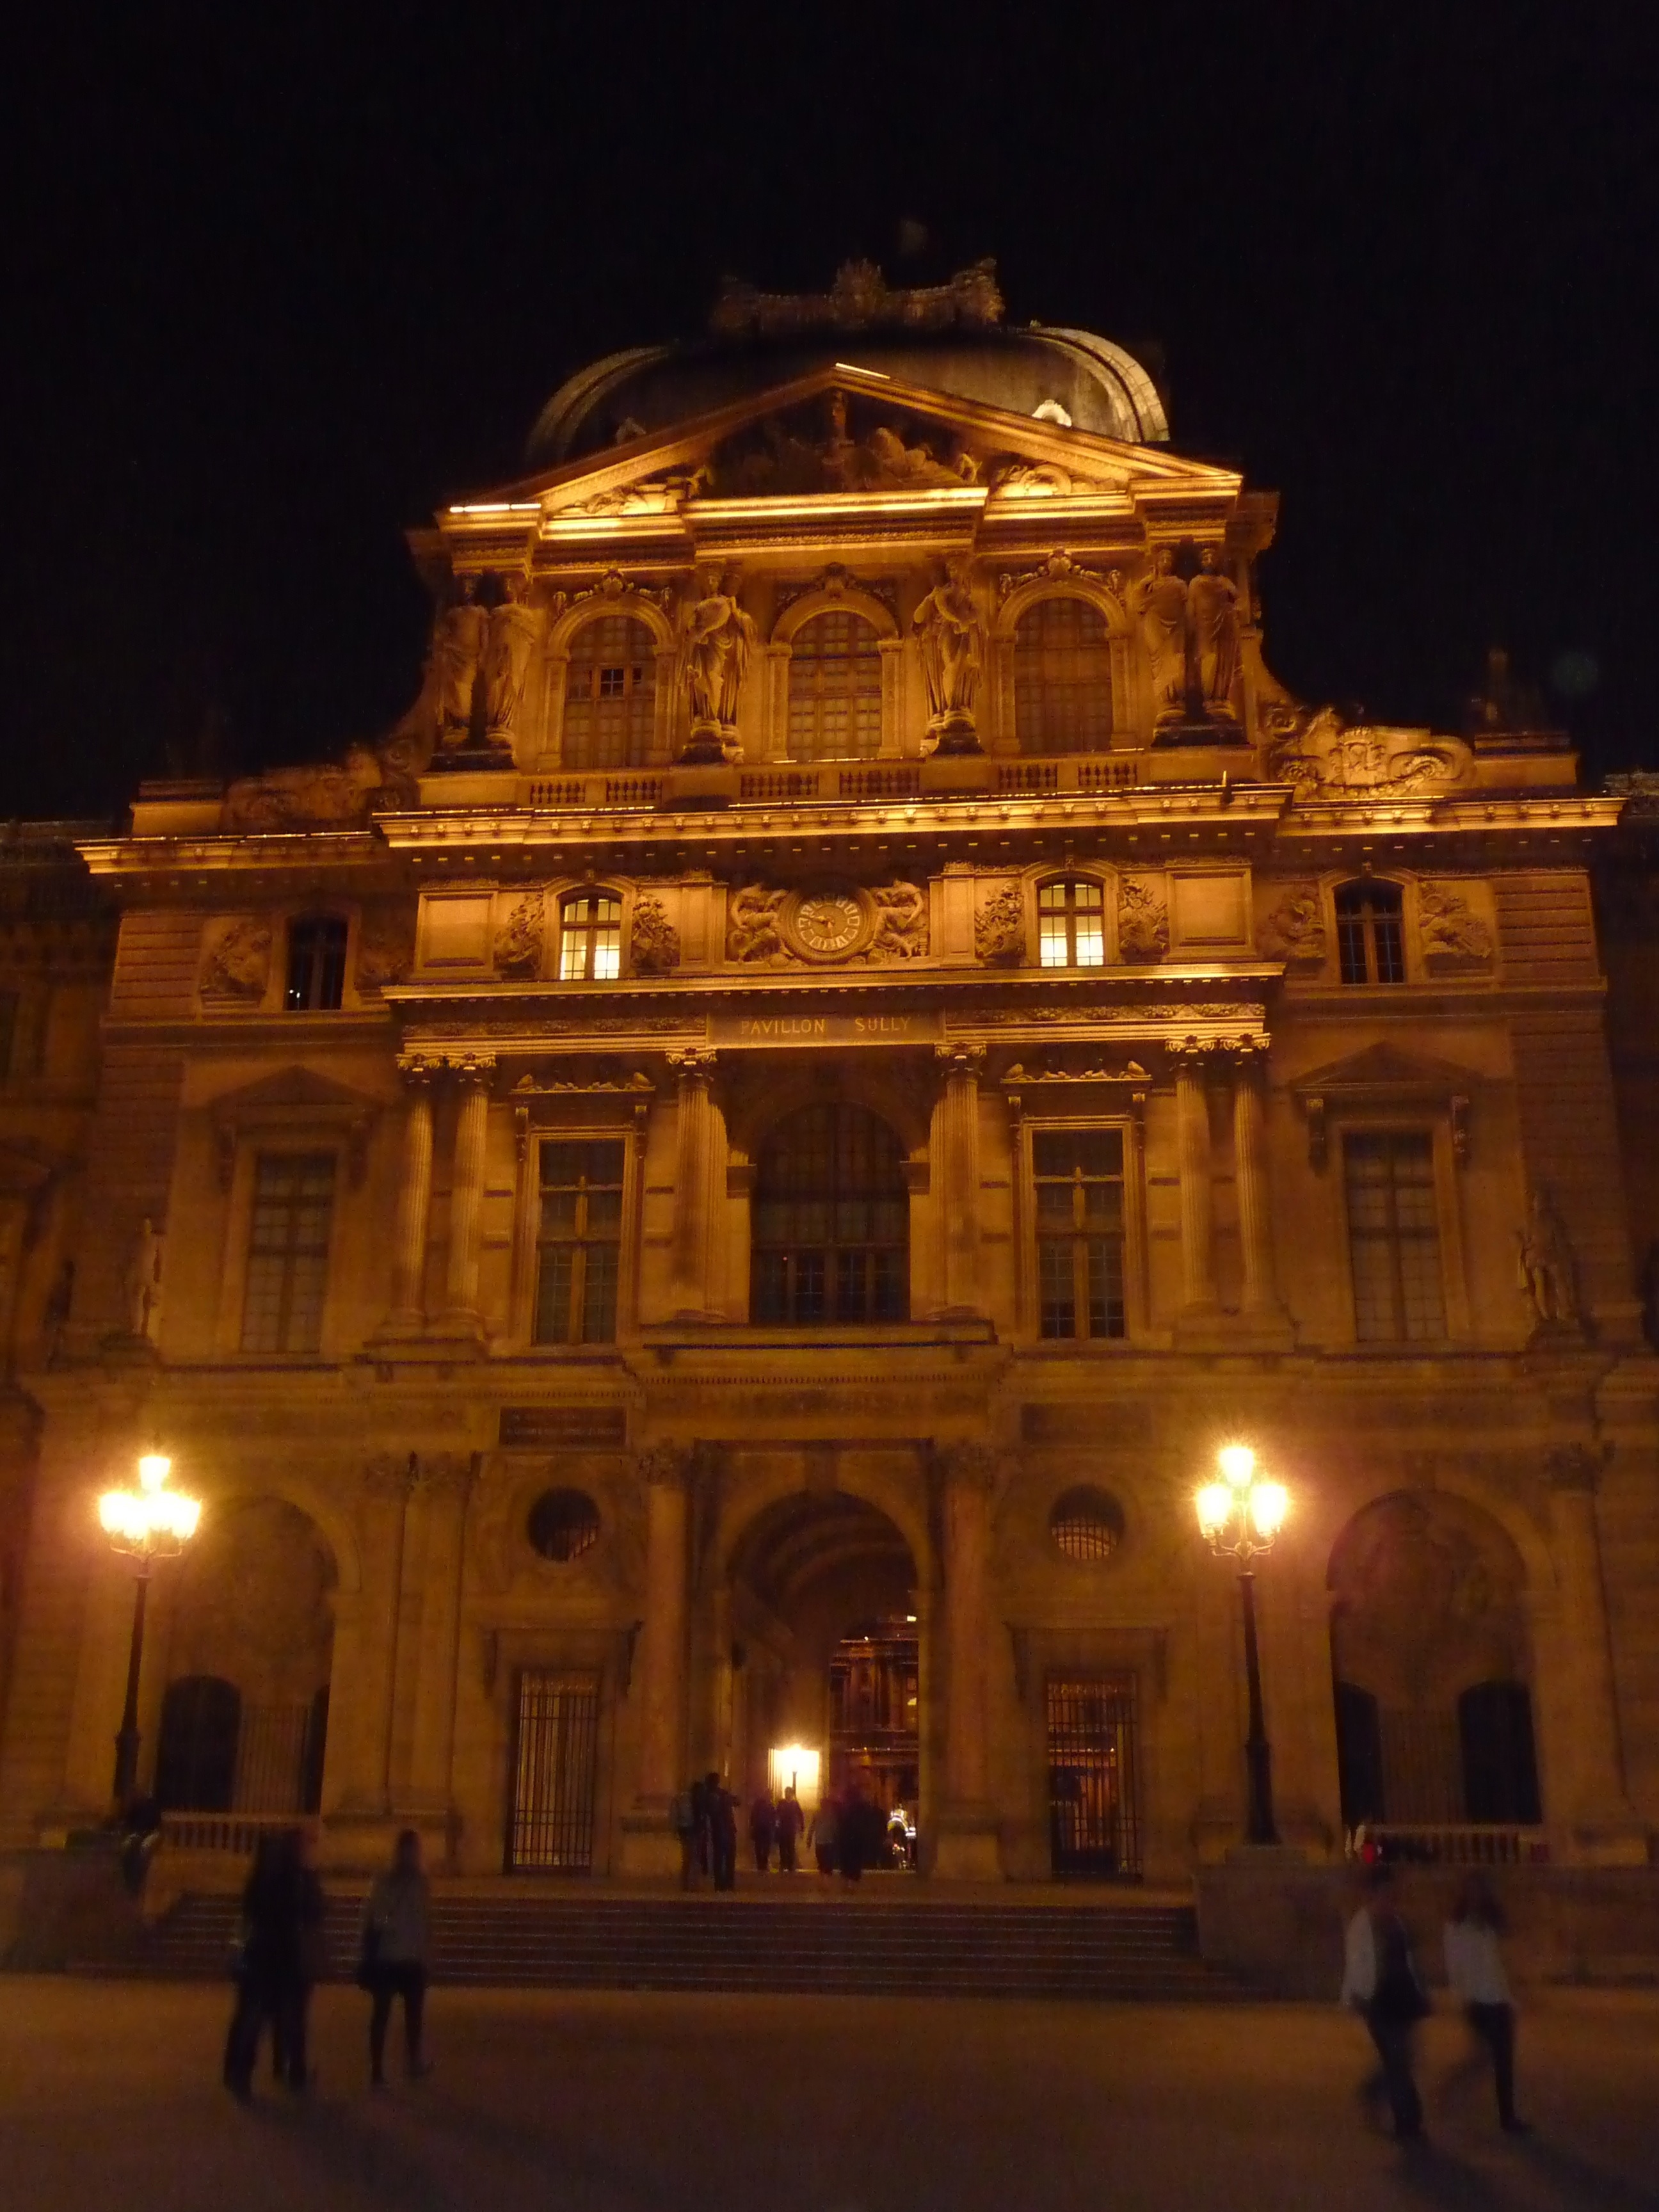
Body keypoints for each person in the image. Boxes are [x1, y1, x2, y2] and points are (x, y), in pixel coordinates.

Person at [1341, 1864, 1431, 2140]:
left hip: (1404, 1996)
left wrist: (1422, 1991)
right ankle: (1408, 2121)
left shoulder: (1399, 1922)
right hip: (1378, 2000)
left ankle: (1374, 2091)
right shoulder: (1362, 1924)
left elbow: (1411, 1961)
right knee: (1397, 2060)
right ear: (1373, 1892)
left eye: (1392, 1891)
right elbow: (1356, 1963)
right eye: (1384, 1891)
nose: (1389, 1896)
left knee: (1404, 2059)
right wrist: (1354, 1995)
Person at [223, 1829, 307, 2099]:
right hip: (267, 1957)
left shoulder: (269, 1883)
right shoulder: (275, 1884)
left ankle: (246, 2072)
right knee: (257, 2020)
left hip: (271, 1957)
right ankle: (244, 2072)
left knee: (262, 2020)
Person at [1444, 1874, 1527, 2133]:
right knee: (1481, 2058)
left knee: (1503, 2061)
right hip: (1478, 2001)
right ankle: (1450, 2090)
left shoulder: (1494, 1924)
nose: (1477, 1897)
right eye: (1472, 1891)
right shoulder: (1456, 1926)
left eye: (1481, 1891)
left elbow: (1508, 1959)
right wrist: (1461, 1996)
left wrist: (1518, 1991)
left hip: (1500, 1999)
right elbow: (1454, 1965)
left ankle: (1508, 2116)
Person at [362, 1829, 432, 2087]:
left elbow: (424, 1921)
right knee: (385, 2013)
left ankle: (406, 2062)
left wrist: (426, 1951)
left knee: (407, 2014)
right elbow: (374, 1916)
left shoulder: (416, 1882)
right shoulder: (399, 1882)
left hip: (406, 1957)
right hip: (392, 1956)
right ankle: (380, 2067)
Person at [705, 1772, 739, 1892]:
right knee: (728, 1859)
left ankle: (720, 1884)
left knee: (720, 1859)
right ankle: (728, 1883)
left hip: (719, 1831)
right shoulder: (722, 1794)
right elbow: (737, 1801)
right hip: (727, 1830)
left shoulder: (710, 1795)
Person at [671, 1779, 700, 1891]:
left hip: (686, 1828)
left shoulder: (681, 1799)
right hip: (689, 1829)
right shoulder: (685, 1799)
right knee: (691, 1857)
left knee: (689, 1857)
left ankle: (688, 1884)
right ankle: (690, 1884)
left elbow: (674, 1815)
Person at [774, 1785, 805, 1875]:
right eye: (786, 1792)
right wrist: (777, 1825)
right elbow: (777, 1814)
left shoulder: (795, 1804)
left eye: (788, 1792)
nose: (787, 1794)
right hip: (783, 1829)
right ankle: (783, 1864)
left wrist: (802, 1828)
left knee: (791, 1847)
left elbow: (801, 1815)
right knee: (782, 1847)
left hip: (791, 1829)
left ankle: (791, 1865)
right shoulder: (781, 1803)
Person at [810, 1791, 841, 1880]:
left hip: (823, 1841)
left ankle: (824, 1879)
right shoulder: (829, 1815)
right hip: (827, 1841)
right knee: (826, 1862)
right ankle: (825, 1880)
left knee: (823, 1862)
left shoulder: (821, 1814)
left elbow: (812, 1827)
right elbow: (835, 1828)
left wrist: (809, 1839)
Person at [748, 1788, 776, 1874]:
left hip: (760, 1827)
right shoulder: (770, 1804)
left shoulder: (759, 1803)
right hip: (765, 1827)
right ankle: (763, 1863)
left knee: (759, 1846)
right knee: (765, 1846)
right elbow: (773, 1816)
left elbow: (753, 1814)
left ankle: (761, 1864)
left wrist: (752, 1825)